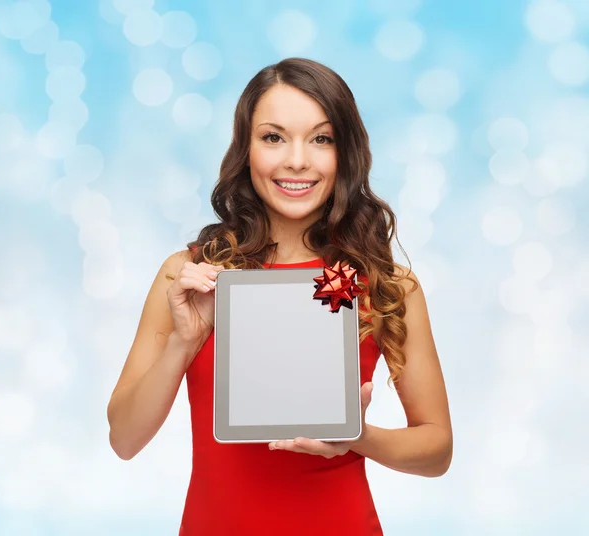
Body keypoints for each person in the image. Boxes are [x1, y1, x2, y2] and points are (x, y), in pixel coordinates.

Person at [107, 57, 453, 535]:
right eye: (273, 137)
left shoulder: (385, 285)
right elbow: (123, 439)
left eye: (321, 138)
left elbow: (437, 451)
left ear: (345, 154)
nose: (296, 160)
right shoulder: (190, 275)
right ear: (245, 150)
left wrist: (358, 437)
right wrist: (183, 343)